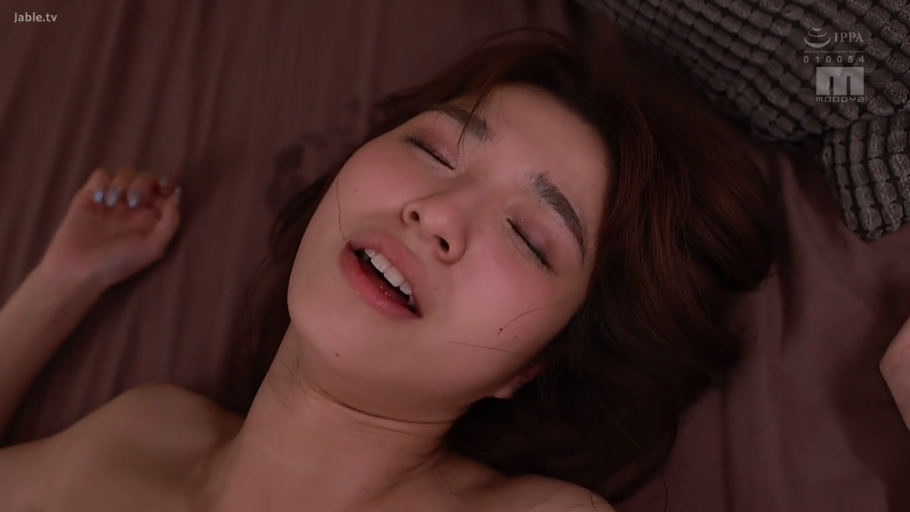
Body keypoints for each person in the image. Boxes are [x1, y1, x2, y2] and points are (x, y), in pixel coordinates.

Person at [0, 31, 790, 511]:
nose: (436, 213)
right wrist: (61, 283)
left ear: (534, 364)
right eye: (433, 150)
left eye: (529, 236)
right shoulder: (141, 434)